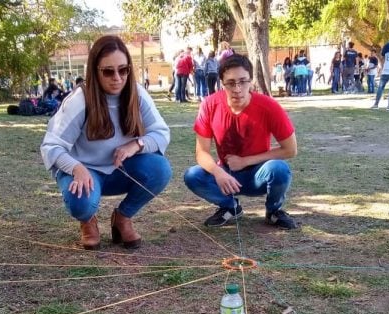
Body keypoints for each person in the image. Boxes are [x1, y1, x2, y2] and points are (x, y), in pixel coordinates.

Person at [41, 35, 172, 250]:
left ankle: (122, 217)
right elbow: (51, 146)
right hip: (85, 172)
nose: (118, 77)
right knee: (80, 202)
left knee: (160, 169)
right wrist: (76, 168)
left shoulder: (137, 93)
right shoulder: (80, 99)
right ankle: (88, 220)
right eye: (108, 71)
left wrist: (136, 145)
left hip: (121, 170)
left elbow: (161, 133)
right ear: (95, 71)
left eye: (123, 69)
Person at [183, 54, 299, 230]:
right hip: (226, 175)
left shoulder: (269, 106)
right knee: (193, 175)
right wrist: (218, 173)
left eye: (243, 81)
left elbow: (290, 150)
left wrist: (246, 161)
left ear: (251, 81)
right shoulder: (209, 104)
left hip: (258, 174)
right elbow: (201, 152)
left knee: (279, 169)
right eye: (230, 83)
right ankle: (230, 207)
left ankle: (274, 211)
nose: (237, 89)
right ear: (221, 83)